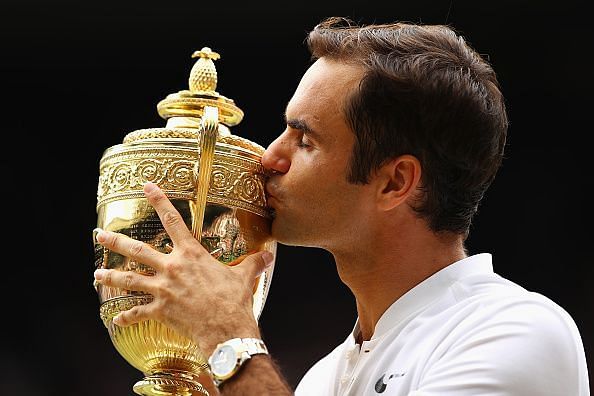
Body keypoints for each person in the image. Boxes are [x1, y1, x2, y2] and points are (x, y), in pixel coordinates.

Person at [93, 16, 590, 395]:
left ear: (395, 183)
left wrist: (227, 335)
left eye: (305, 140)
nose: (270, 156)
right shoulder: (321, 380)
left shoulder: (516, 331)